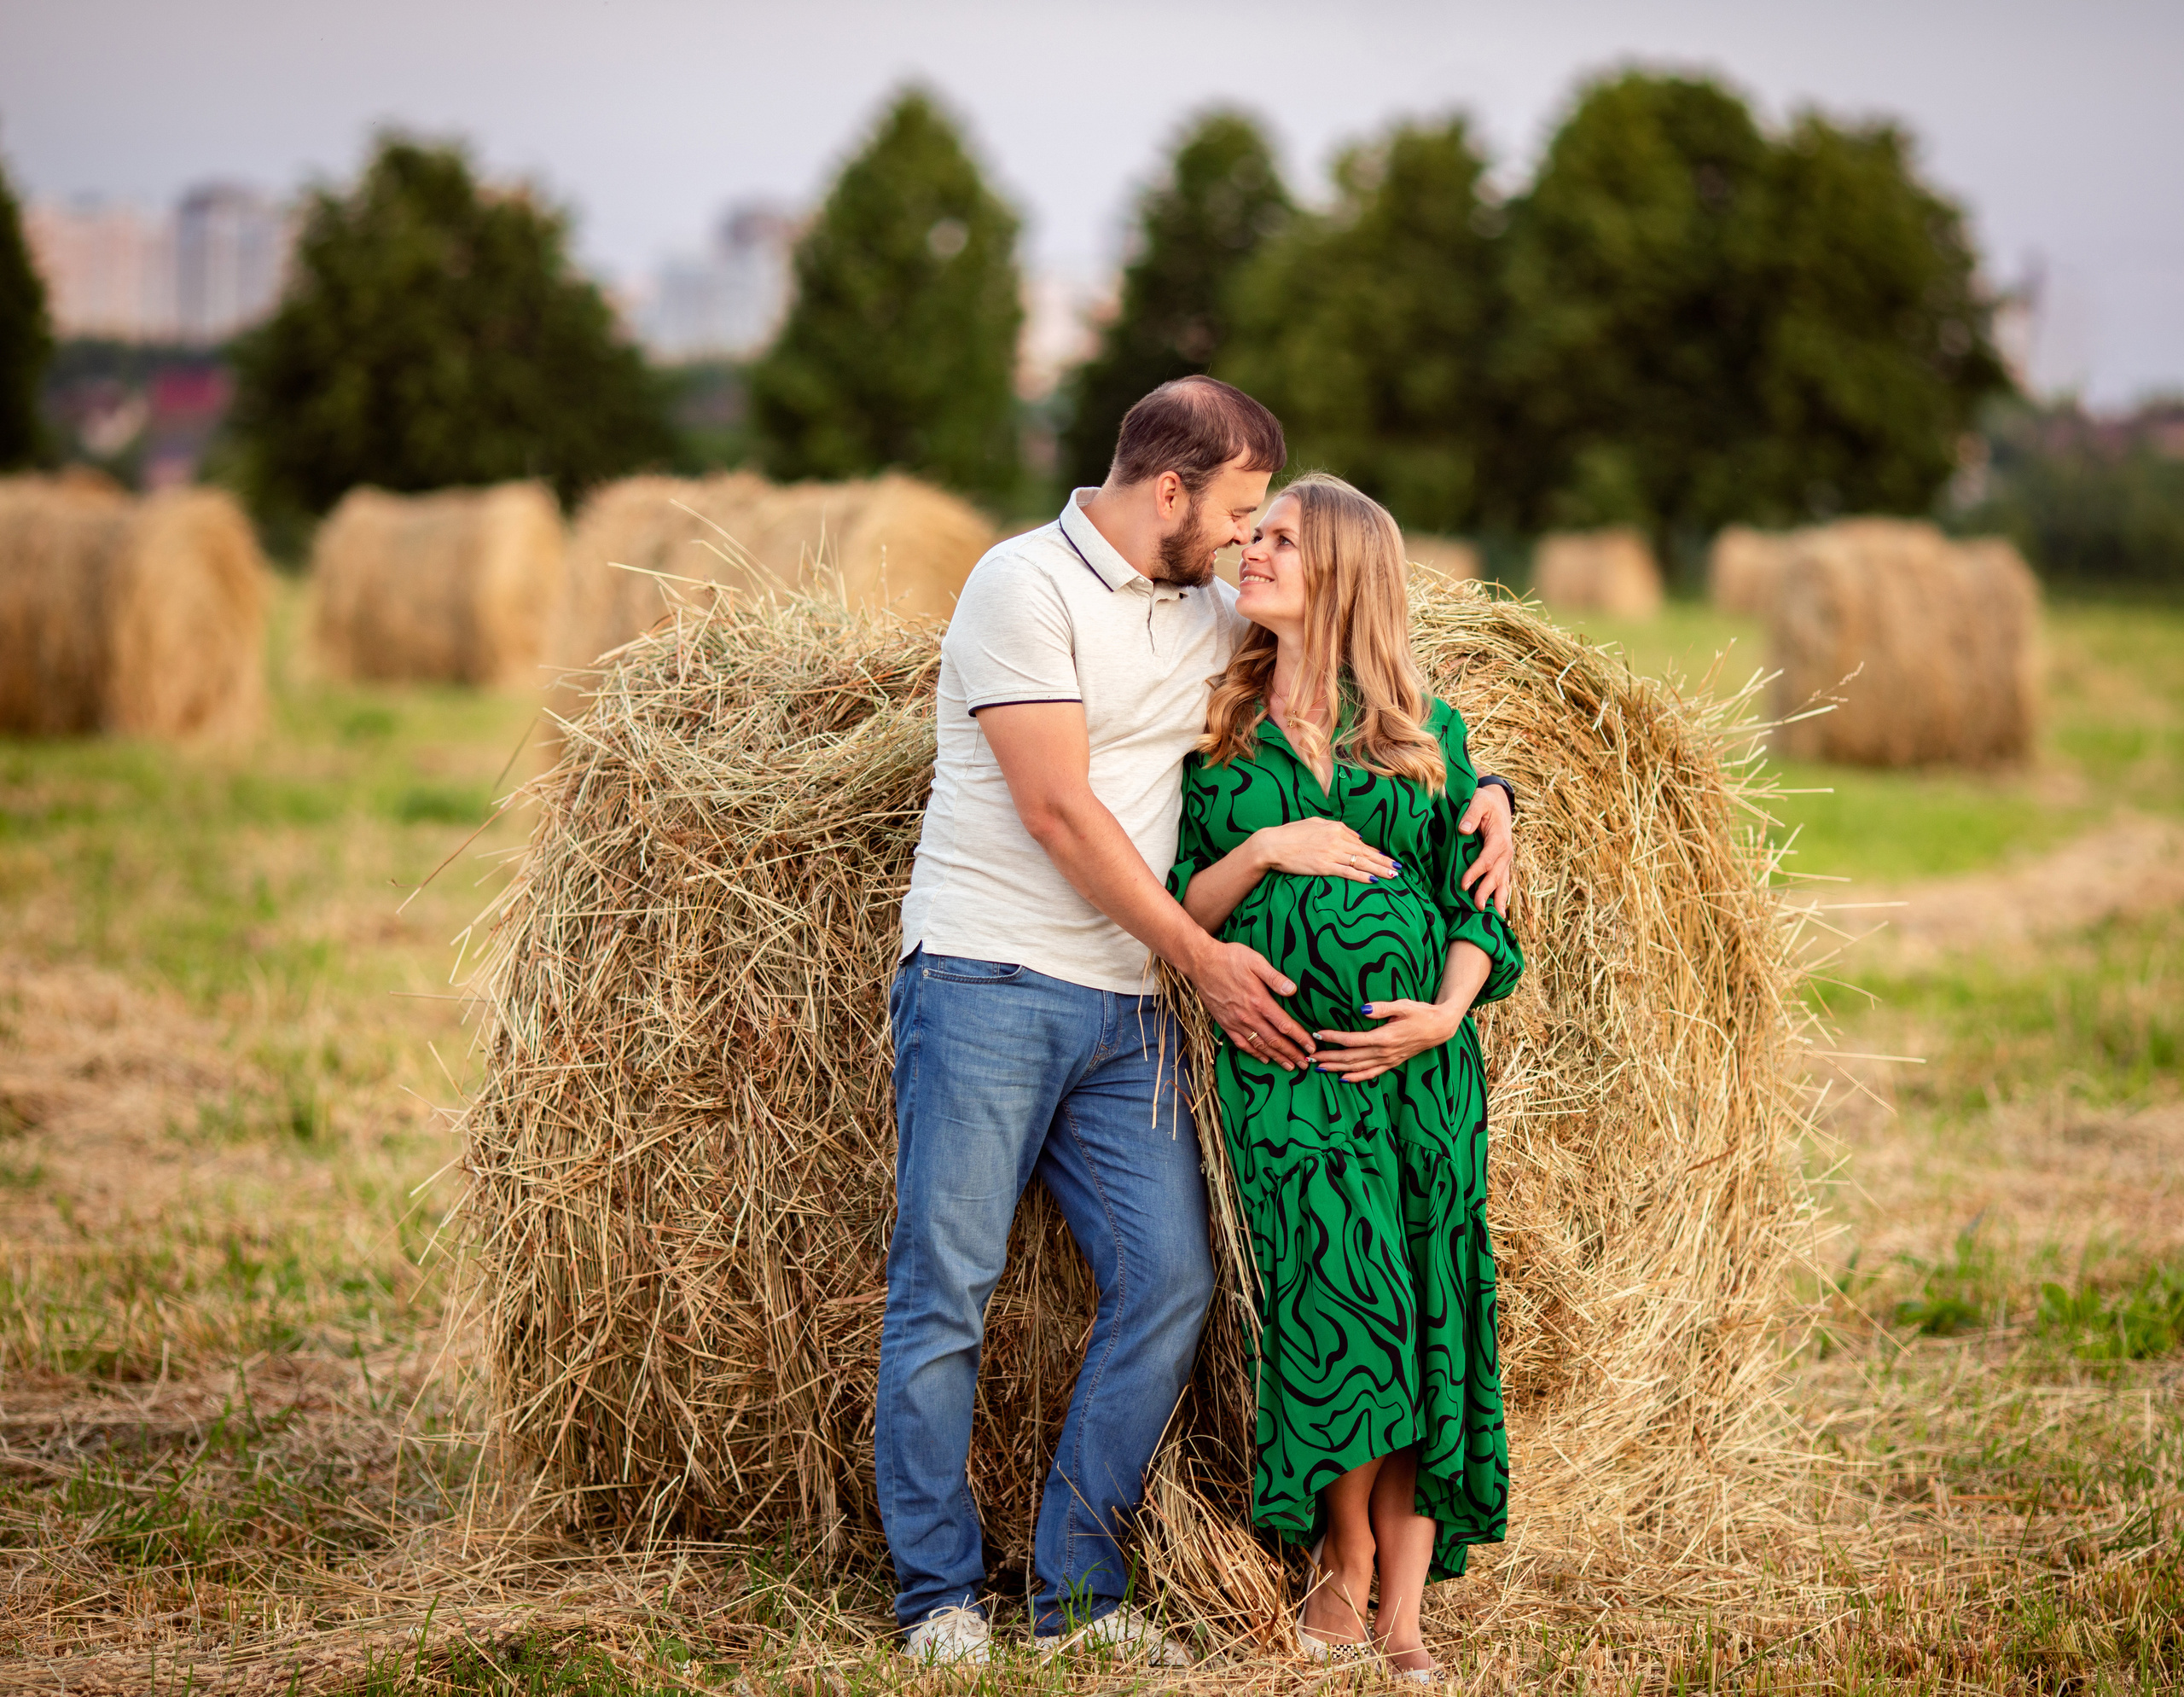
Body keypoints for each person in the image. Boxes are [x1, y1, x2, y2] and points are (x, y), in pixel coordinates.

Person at [877, 379, 1515, 1666]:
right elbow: (1057, 811)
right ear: (1170, 492)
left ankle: (1077, 1593)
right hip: (990, 981)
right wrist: (1205, 957)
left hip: (1126, 1013)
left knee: (1170, 1280)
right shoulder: (1022, 587)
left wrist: (1497, 788)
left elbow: (1363, 658)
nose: (1244, 540)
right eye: (1235, 511)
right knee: (948, 1285)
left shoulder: (1214, 613)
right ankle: (936, 1593)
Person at [1166, 473, 1524, 1682]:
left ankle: (1408, 1611)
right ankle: (1345, 1558)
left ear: (1343, 575)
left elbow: (1481, 911)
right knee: (1340, 1295)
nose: (1251, 552)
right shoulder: (1222, 723)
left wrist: (1442, 1017)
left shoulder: (1420, 729)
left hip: (1423, 1077)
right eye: (1253, 534)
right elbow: (1185, 906)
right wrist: (1269, 844)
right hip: (1292, 1068)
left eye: (1278, 541)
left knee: (1432, 1312)